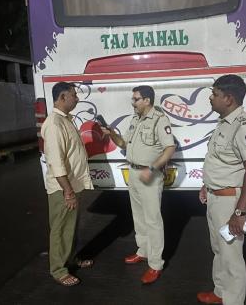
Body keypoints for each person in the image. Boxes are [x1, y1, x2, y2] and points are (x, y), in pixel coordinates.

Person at [197, 75, 246, 305]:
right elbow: (220, 160)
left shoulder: (245, 127)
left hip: (230, 202)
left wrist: (239, 213)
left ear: (229, 98)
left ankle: (232, 301)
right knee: (219, 249)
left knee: (232, 256)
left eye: (215, 94)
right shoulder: (224, 123)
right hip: (216, 197)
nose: (211, 97)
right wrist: (207, 185)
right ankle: (220, 293)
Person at [101, 85, 176, 284]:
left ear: (147, 101)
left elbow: (170, 148)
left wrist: (152, 169)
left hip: (149, 175)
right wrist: (111, 133)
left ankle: (155, 264)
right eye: (133, 98)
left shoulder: (160, 120)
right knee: (139, 216)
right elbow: (123, 143)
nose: (132, 102)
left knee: (153, 220)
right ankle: (142, 251)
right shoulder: (135, 119)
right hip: (134, 173)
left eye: (136, 99)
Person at [41, 82, 94, 287]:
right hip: (63, 189)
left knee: (70, 227)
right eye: (73, 95)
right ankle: (58, 270)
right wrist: (68, 192)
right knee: (60, 229)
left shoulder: (65, 120)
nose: (77, 98)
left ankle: (71, 259)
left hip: (71, 186)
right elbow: (56, 163)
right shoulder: (54, 124)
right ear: (63, 97)